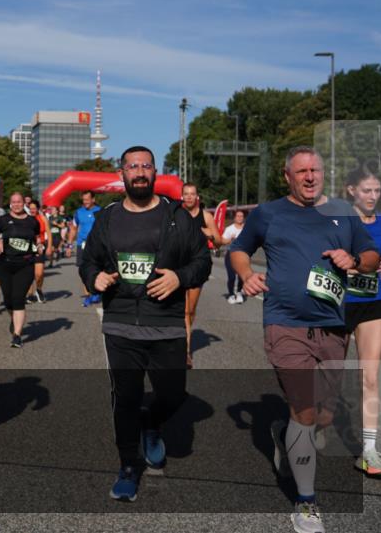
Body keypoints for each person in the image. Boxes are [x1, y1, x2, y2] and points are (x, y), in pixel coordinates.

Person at [230, 146, 379, 533]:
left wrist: (354, 260)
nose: (310, 176)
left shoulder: (343, 214)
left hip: (332, 327)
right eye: (302, 172)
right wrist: (246, 274)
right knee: (305, 410)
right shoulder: (269, 213)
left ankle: (285, 434)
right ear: (288, 176)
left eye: (315, 170)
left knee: (323, 415)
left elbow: (371, 255)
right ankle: (306, 501)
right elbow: (239, 250)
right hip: (286, 325)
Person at [79, 146, 211, 502]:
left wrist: (180, 278)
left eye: (146, 166)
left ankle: (152, 423)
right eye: (132, 166)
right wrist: (95, 278)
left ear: (155, 173)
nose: (139, 172)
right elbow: (87, 260)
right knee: (125, 397)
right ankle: (127, 465)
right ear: (121, 174)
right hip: (121, 323)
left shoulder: (176, 217)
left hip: (166, 323)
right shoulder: (107, 218)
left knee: (173, 394)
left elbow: (203, 260)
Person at [342, 164, 381, 477]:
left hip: (373, 304)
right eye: (367, 190)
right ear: (351, 190)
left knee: (369, 377)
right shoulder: (336, 222)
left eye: (377, 190)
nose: (373, 196)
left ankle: (369, 449)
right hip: (337, 304)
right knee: (326, 378)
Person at [0, 192, 41, 348]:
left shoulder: (32, 221)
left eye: (19, 202)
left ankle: (17, 335)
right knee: (8, 300)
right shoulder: (3, 220)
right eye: (13, 202)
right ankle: (14, 318)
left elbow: (37, 238)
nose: (16, 204)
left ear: (23, 203)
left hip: (25, 264)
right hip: (5, 264)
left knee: (18, 298)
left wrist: (39, 246)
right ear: (10, 204)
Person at [180, 183, 220, 368]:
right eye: (186, 194)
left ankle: (185, 346)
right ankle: (185, 352)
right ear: (182, 196)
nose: (189, 197)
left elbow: (219, 241)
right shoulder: (176, 215)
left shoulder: (206, 216)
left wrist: (209, 234)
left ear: (197, 197)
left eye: (192, 194)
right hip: (179, 265)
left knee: (190, 310)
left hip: (199, 265)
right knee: (182, 309)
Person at [70, 191, 101, 307]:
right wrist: (69, 245)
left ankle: (95, 291)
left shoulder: (100, 211)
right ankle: (88, 294)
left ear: (93, 199)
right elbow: (74, 228)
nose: (85, 202)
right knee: (83, 270)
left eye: (87, 199)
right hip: (81, 244)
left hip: (96, 245)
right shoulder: (78, 212)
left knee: (96, 268)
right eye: (84, 200)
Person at [220, 210, 247, 304]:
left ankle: (239, 292)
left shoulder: (247, 229)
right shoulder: (229, 229)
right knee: (231, 277)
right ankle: (231, 295)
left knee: (241, 277)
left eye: (241, 216)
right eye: (238, 216)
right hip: (231, 255)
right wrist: (230, 240)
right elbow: (222, 241)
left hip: (243, 255)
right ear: (234, 218)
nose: (240, 218)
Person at [26, 199, 49, 303]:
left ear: (38, 209)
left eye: (34, 208)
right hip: (29, 247)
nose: (32, 210)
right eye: (30, 209)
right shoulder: (26, 219)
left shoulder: (43, 218)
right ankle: (30, 294)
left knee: (39, 273)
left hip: (40, 246)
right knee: (29, 273)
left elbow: (49, 233)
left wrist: (49, 247)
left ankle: (39, 290)